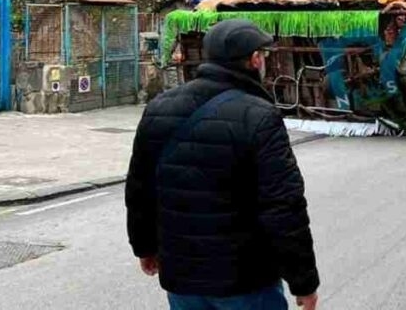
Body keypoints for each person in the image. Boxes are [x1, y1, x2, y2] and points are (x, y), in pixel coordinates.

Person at [126, 19, 320, 310]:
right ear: (255, 60)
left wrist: (144, 247)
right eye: (264, 56)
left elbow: (140, 188)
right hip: (246, 281)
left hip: (182, 278)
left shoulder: (159, 107)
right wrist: (303, 281)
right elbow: (283, 205)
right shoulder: (260, 115)